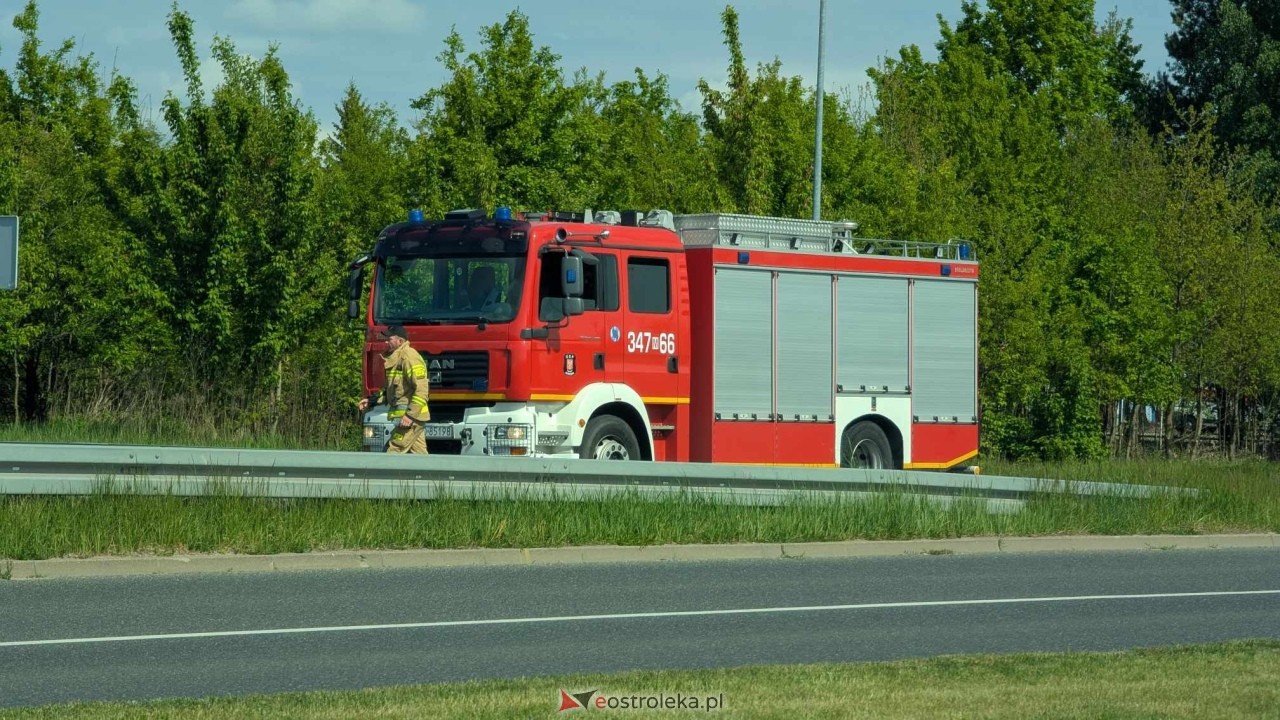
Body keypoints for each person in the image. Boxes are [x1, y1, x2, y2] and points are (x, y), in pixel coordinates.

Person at [358, 324, 430, 454]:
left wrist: (410, 416)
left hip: (410, 419)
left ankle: (379, 475)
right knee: (420, 456)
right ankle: (434, 475)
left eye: (389, 339)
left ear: (400, 341)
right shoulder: (396, 359)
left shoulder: (409, 358)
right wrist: (371, 401)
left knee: (393, 451)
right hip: (409, 419)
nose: (386, 342)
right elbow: (390, 390)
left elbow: (422, 390)